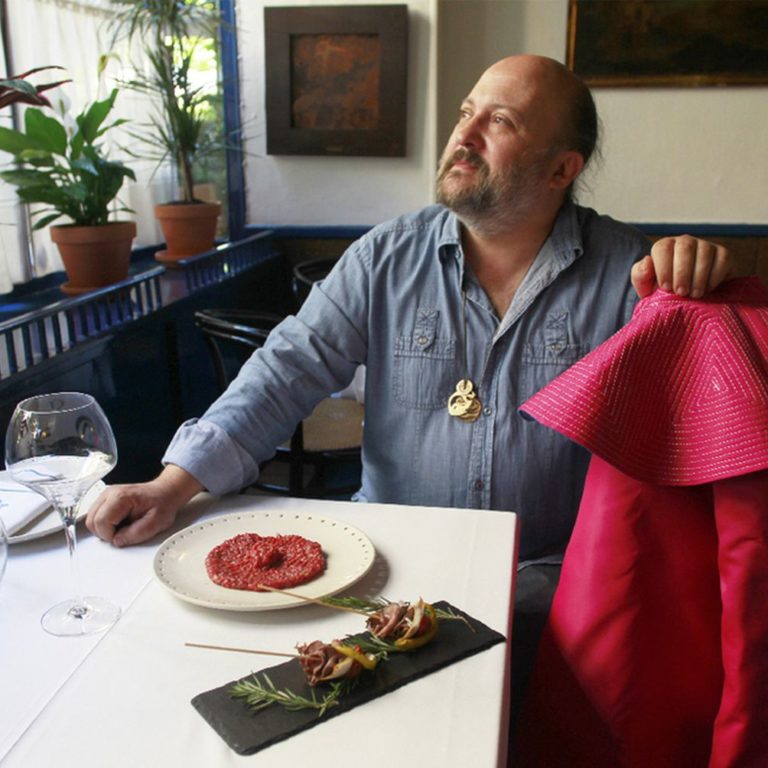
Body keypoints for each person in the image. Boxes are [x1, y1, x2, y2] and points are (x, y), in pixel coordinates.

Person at [86, 55, 735, 558]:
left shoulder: (632, 277)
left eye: (500, 122)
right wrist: (172, 484)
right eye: (465, 113)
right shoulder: (385, 256)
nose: (464, 135)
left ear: (561, 169)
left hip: (551, 582)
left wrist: (704, 290)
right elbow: (287, 370)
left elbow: (698, 435)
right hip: (391, 569)